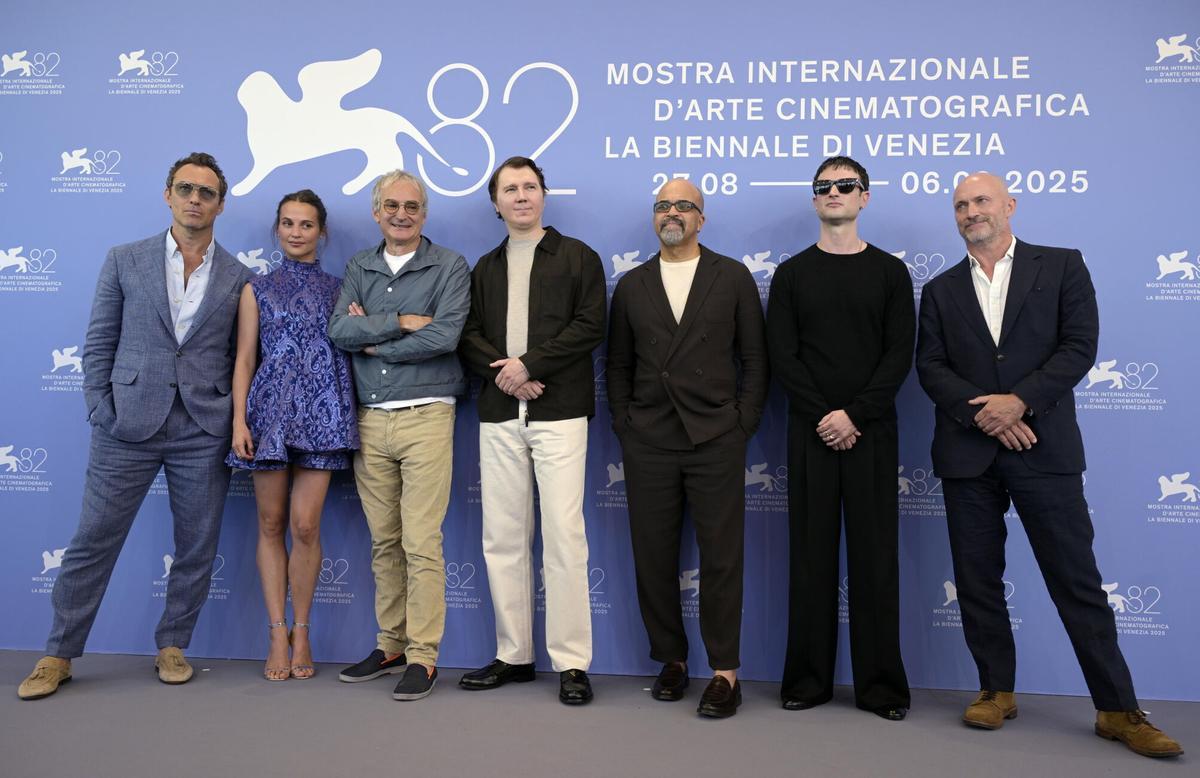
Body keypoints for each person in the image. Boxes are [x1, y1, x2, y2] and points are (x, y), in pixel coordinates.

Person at [915, 172, 1183, 758]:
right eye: (960, 205)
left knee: (1076, 581)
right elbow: (931, 367)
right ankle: (996, 691)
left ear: (1009, 205)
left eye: (981, 201)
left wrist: (1020, 402)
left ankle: (1117, 708)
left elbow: (1079, 345)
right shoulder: (938, 290)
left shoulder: (1062, 265)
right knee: (977, 581)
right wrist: (987, 415)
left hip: (1045, 448)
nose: (970, 212)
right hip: (968, 454)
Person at [18, 152, 253, 700]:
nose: (195, 199)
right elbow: (100, 340)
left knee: (197, 545)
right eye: (185, 189)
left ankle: (173, 645)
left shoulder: (240, 276)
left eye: (207, 192)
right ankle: (58, 654)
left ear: (220, 204)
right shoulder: (125, 259)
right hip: (126, 425)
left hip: (202, 428)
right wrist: (102, 409)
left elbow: (239, 355)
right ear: (168, 195)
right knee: (93, 540)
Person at [606, 178, 768, 718]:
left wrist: (741, 424)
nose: (671, 212)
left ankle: (725, 672)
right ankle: (671, 660)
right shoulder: (632, 285)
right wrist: (626, 424)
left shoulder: (733, 277)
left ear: (701, 218)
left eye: (683, 205)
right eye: (663, 205)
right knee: (653, 556)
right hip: (649, 438)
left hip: (716, 436)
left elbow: (756, 359)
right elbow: (618, 365)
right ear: (654, 217)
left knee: (722, 558)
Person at [766, 156, 913, 720]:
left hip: (871, 434)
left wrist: (854, 415)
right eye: (824, 186)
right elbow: (784, 356)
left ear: (864, 197)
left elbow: (898, 356)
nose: (834, 192)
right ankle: (807, 681)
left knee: (876, 562)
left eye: (846, 185)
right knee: (810, 560)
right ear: (814, 200)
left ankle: (882, 689)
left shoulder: (891, 273)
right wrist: (826, 417)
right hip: (811, 434)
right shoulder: (791, 275)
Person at [457, 157, 607, 705]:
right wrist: (508, 374)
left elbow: (591, 325)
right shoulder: (484, 267)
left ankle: (572, 663)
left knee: (564, 536)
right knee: (503, 536)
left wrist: (530, 365)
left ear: (543, 194)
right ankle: (514, 655)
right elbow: (467, 334)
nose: (521, 196)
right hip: (500, 413)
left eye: (529, 186)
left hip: (560, 412)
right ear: (495, 203)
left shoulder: (578, 256)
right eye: (509, 189)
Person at [328, 170, 470, 701]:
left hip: (427, 415)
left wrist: (374, 339)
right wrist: (404, 320)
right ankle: (390, 644)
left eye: (411, 206)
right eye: (391, 205)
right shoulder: (359, 265)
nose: (401, 214)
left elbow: (446, 335)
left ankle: (423, 656)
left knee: (421, 541)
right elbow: (339, 329)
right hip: (371, 418)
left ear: (424, 213)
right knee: (385, 541)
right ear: (376, 212)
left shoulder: (449, 265)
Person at [227, 189, 359, 681]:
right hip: (269, 417)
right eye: (288, 223)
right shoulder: (256, 289)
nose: (296, 232)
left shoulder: (342, 289)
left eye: (306, 224)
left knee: (305, 527)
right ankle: (275, 632)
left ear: (321, 232)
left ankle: (303, 631)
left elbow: (357, 345)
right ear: (277, 228)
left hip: (323, 416)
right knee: (270, 523)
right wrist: (239, 421)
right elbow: (245, 359)